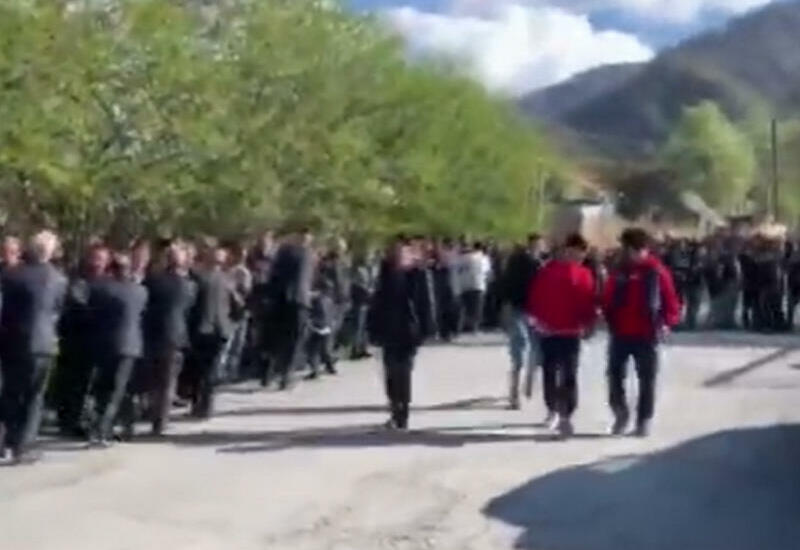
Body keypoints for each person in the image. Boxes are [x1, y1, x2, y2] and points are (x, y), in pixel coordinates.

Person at [603, 228, 681, 438]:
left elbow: (671, 302)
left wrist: (667, 323)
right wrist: (604, 313)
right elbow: (608, 296)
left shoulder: (657, 272)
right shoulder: (619, 272)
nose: (631, 254)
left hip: (647, 334)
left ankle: (644, 420)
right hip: (620, 332)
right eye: (627, 249)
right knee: (614, 376)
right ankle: (620, 413)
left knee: (647, 379)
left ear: (643, 249)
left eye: (634, 250)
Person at [0, 231, 68, 464]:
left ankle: (7, 439)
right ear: (50, 252)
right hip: (43, 343)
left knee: (11, 392)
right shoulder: (59, 279)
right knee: (34, 396)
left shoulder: (12, 275)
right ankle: (23, 445)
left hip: (13, 341)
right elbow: (57, 310)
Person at [526, 234, 596, 438]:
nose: (580, 257)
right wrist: (537, 321)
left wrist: (589, 322)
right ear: (567, 250)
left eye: (582, 254)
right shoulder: (547, 271)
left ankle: (567, 414)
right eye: (577, 252)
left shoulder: (584, 274)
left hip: (571, 332)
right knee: (550, 372)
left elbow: (588, 301)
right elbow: (536, 298)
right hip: (549, 332)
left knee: (569, 374)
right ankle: (552, 409)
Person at [368, 236, 432, 431]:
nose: (398, 254)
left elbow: (425, 303)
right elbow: (377, 301)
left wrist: (426, 328)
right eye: (394, 250)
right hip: (387, 329)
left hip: (409, 329)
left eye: (402, 250)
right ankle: (395, 409)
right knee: (389, 372)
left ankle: (402, 412)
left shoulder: (417, 274)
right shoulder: (386, 271)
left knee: (403, 372)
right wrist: (372, 328)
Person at [87, 253, 148, 446]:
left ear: (111, 270)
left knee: (104, 388)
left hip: (104, 344)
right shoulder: (140, 291)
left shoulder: (100, 289)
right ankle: (110, 428)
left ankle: (101, 427)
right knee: (120, 389)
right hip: (129, 345)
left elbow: (92, 313)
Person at [53, 243, 110, 437]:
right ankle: (70, 420)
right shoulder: (78, 281)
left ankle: (80, 419)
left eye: (101, 259)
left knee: (88, 384)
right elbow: (77, 305)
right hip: (75, 340)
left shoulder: (106, 282)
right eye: (95, 258)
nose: (97, 263)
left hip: (95, 341)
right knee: (73, 382)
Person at [143, 242, 197, 435]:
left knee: (153, 378)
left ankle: (150, 411)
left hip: (152, 334)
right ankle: (160, 421)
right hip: (176, 336)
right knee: (168, 381)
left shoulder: (152, 281)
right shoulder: (189, 286)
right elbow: (190, 310)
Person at [186, 245, 236, 419]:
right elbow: (238, 303)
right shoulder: (227, 280)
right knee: (211, 369)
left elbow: (190, 303)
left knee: (198, 369)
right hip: (221, 329)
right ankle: (207, 405)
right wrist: (230, 320)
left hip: (201, 328)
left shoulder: (198, 278)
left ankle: (197, 404)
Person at [266, 227, 315, 390]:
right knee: (293, 338)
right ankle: (284, 374)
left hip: (287, 299)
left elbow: (274, 275)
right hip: (296, 300)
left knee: (282, 337)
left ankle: (275, 373)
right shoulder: (305, 254)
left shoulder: (286, 252)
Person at [500, 233, 545, 410]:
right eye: (536, 244)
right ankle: (515, 393)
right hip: (518, 308)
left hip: (535, 311)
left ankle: (528, 385)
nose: (537, 248)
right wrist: (505, 306)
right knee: (520, 350)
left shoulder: (541, 265)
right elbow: (505, 284)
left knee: (536, 351)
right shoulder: (517, 261)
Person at [304, 277, 337, 380]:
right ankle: (330, 367)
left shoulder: (316, 299)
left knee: (313, 350)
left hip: (317, 327)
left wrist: (310, 323)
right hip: (327, 327)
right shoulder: (329, 300)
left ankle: (315, 371)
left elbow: (310, 311)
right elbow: (332, 315)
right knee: (325, 349)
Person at [458, 241, 492, 333]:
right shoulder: (484, 258)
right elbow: (487, 272)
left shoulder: (464, 257)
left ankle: (464, 325)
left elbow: (459, 270)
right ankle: (474, 327)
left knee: (467, 307)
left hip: (465, 285)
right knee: (477, 308)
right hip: (478, 285)